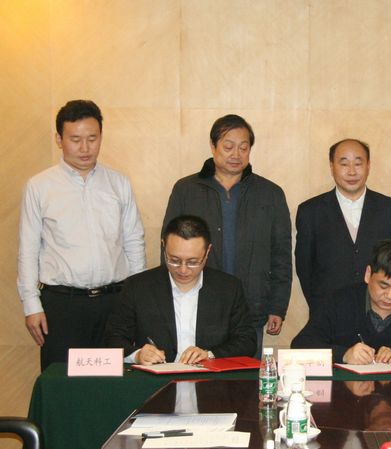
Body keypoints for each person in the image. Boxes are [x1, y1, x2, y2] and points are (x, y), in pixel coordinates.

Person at [17, 100, 145, 371]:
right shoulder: (39, 187)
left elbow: (134, 242)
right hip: (62, 306)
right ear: (59, 139)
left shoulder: (118, 183)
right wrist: (31, 304)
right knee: (64, 384)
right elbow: (28, 249)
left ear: (101, 136)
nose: (85, 148)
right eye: (75, 140)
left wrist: (137, 301)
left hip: (114, 303)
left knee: (114, 384)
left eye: (92, 138)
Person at [162, 114, 291, 356]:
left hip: (251, 306)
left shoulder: (270, 194)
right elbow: (168, 249)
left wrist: (278, 306)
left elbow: (281, 255)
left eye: (243, 147)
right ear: (213, 147)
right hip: (197, 304)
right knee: (196, 371)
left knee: (244, 375)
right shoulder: (186, 190)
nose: (236, 154)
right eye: (228, 146)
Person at [104, 215, 256, 364]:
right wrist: (137, 355)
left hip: (209, 377)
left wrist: (209, 355)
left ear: (207, 251)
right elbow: (113, 338)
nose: (183, 270)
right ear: (164, 246)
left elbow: (247, 341)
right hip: (156, 377)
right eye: (174, 260)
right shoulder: (138, 287)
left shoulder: (228, 288)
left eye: (193, 262)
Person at [295, 138, 391, 317]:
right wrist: (319, 307)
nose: (352, 171)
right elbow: (305, 267)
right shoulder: (310, 211)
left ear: (368, 165)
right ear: (332, 167)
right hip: (328, 313)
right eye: (344, 164)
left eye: (358, 163)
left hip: (379, 314)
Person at [291, 239, 391, 364]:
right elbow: (300, 345)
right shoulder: (340, 301)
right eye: (383, 286)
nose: (390, 295)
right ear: (368, 274)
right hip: (343, 387)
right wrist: (343, 354)